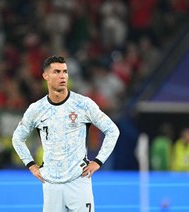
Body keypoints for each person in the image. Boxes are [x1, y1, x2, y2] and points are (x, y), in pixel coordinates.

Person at [12, 55, 120, 212]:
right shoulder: (37, 109)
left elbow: (112, 130)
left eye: (65, 72)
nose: (62, 76)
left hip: (78, 181)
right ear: (45, 76)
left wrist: (98, 161)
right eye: (56, 72)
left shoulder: (83, 104)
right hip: (51, 184)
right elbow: (17, 138)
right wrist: (31, 165)